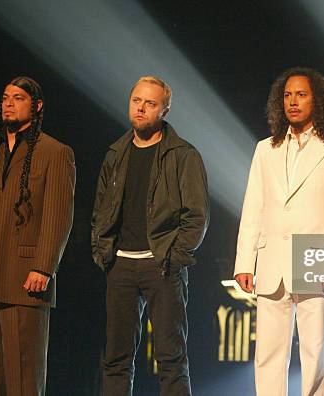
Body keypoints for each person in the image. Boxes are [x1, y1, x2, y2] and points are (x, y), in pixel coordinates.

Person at [234, 67, 324, 395]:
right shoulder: (266, 148)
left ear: (317, 100)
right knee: (267, 355)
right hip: (272, 260)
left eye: (301, 94)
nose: (292, 101)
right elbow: (253, 207)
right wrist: (245, 263)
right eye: (287, 95)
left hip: (317, 260)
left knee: (316, 352)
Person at [0, 76, 76, 395]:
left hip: (25, 278)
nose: (8, 103)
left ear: (37, 106)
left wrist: (44, 266)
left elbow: (58, 215)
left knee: (23, 374)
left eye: (18, 98)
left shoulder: (55, 152)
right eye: (5, 97)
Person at [91, 76, 209, 395]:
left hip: (162, 265)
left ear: (164, 110)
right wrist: (104, 253)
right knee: (116, 358)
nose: (141, 108)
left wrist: (173, 257)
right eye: (136, 101)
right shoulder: (116, 153)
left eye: (150, 103)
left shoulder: (183, 155)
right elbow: (101, 207)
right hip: (121, 266)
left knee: (171, 358)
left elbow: (196, 216)